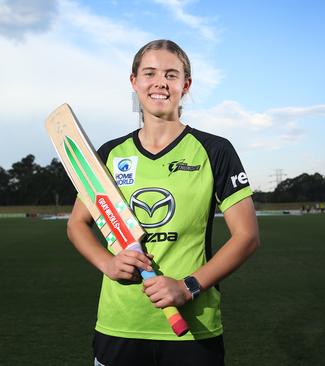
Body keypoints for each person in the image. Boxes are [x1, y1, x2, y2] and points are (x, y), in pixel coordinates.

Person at [66, 39, 260, 366]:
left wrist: (188, 287)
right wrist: (107, 263)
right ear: (134, 81)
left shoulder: (215, 150)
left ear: (186, 85)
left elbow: (247, 236)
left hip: (194, 327)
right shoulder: (110, 154)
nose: (160, 82)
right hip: (120, 325)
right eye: (150, 73)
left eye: (171, 74)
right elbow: (77, 223)